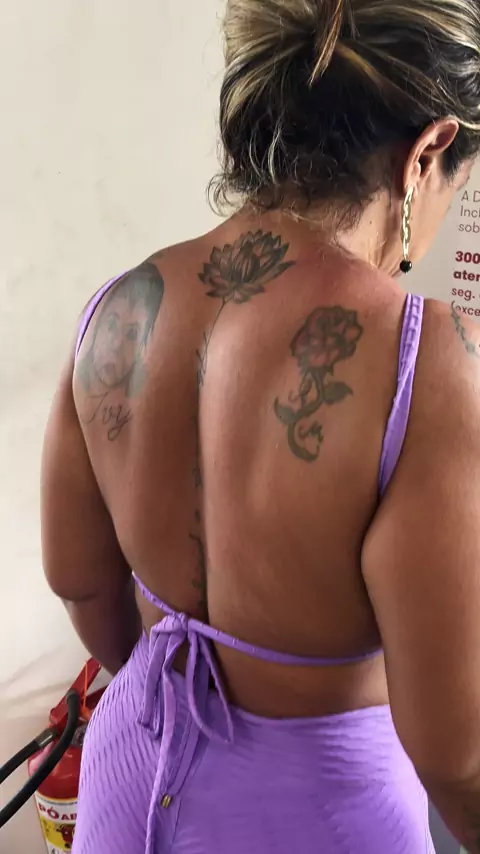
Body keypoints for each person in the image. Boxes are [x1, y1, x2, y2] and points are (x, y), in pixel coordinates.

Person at [41, 1, 480, 852]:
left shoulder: (119, 309)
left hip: (129, 781)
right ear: (427, 152)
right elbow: (456, 757)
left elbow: (81, 583)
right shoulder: (425, 365)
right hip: (318, 818)